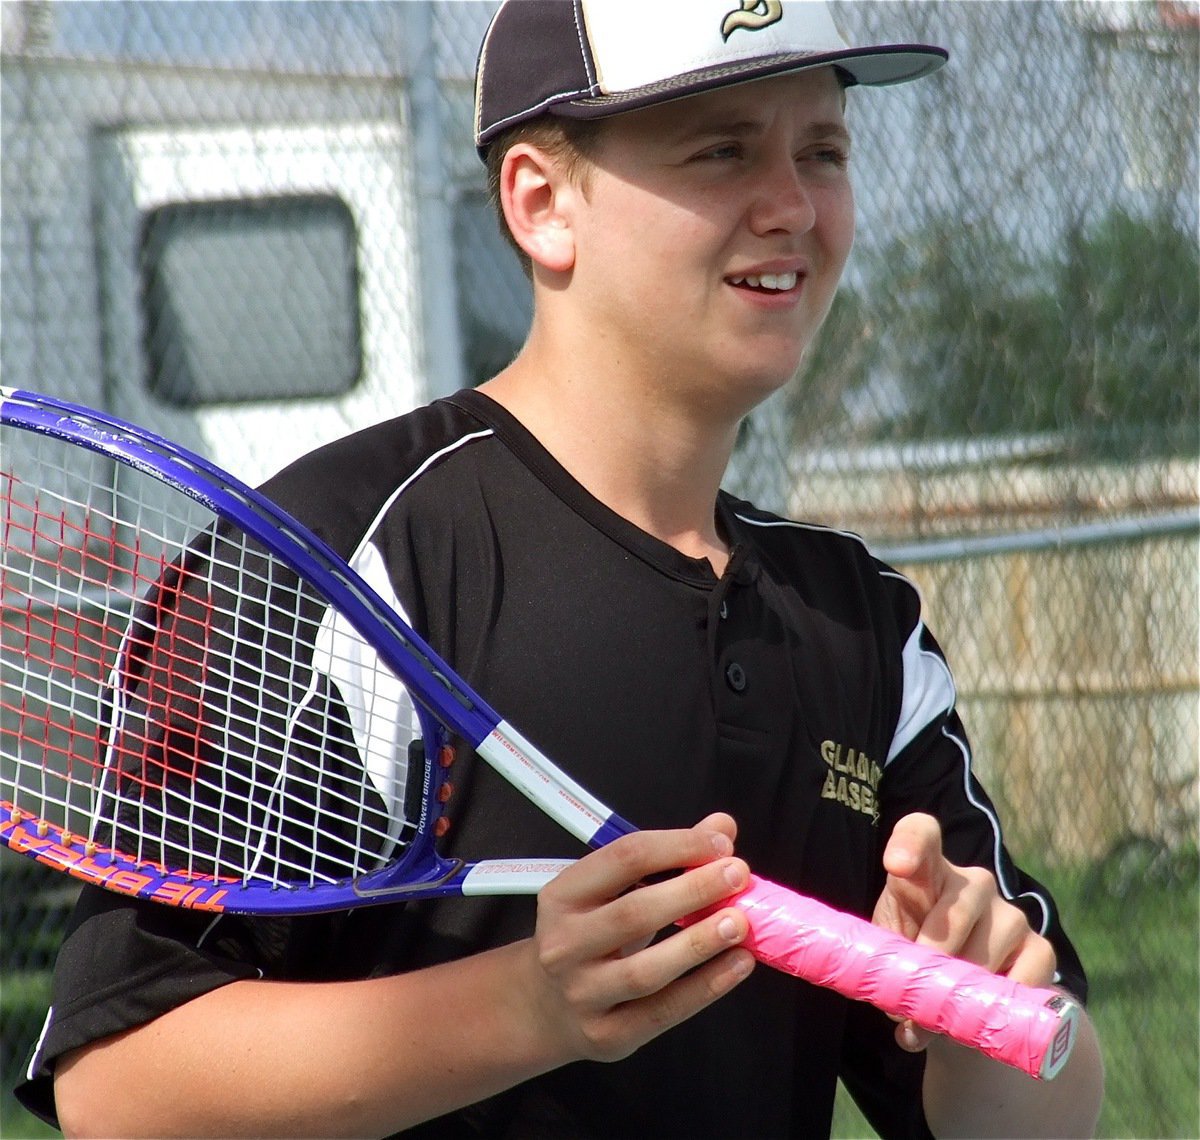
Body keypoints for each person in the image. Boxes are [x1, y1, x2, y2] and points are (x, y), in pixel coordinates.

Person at [20, 2, 1104, 1136]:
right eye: (722, 149)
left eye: (822, 150)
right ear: (543, 204)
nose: (791, 205)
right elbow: (117, 1085)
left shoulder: (857, 623)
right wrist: (532, 1005)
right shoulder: (344, 552)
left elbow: (1032, 1115)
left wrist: (995, 1005)